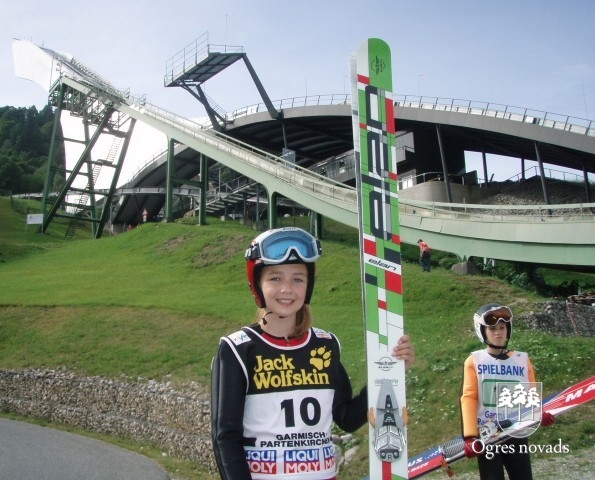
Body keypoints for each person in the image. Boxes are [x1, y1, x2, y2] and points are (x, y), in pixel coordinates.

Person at [211, 227, 414, 480]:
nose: (287, 289)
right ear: (257, 284)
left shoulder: (325, 345)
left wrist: (392, 371)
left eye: (297, 279)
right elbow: (225, 437)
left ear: (308, 286)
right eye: (275, 278)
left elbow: (347, 418)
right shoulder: (237, 349)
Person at [460, 303, 555, 480]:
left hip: (517, 431)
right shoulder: (474, 361)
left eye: (502, 327)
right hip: (488, 435)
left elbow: (530, 394)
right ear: (483, 331)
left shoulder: (522, 360)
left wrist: (539, 413)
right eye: (492, 328)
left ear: (508, 329)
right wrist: (470, 436)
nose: (498, 333)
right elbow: (469, 398)